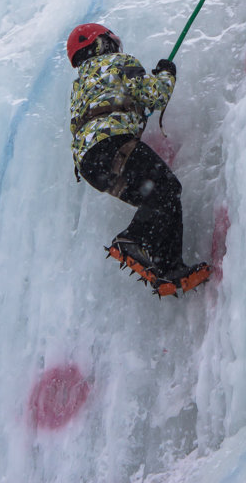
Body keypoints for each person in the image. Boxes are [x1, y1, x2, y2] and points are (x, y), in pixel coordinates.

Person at [67, 23, 210, 296]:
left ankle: (169, 268)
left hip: (92, 164)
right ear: (101, 44)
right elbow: (154, 94)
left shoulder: (81, 85)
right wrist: (167, 74)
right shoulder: (119, 62)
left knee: (160, 196)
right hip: (113, 144)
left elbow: (111, 103)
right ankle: (134, 239)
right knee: (167, 190)